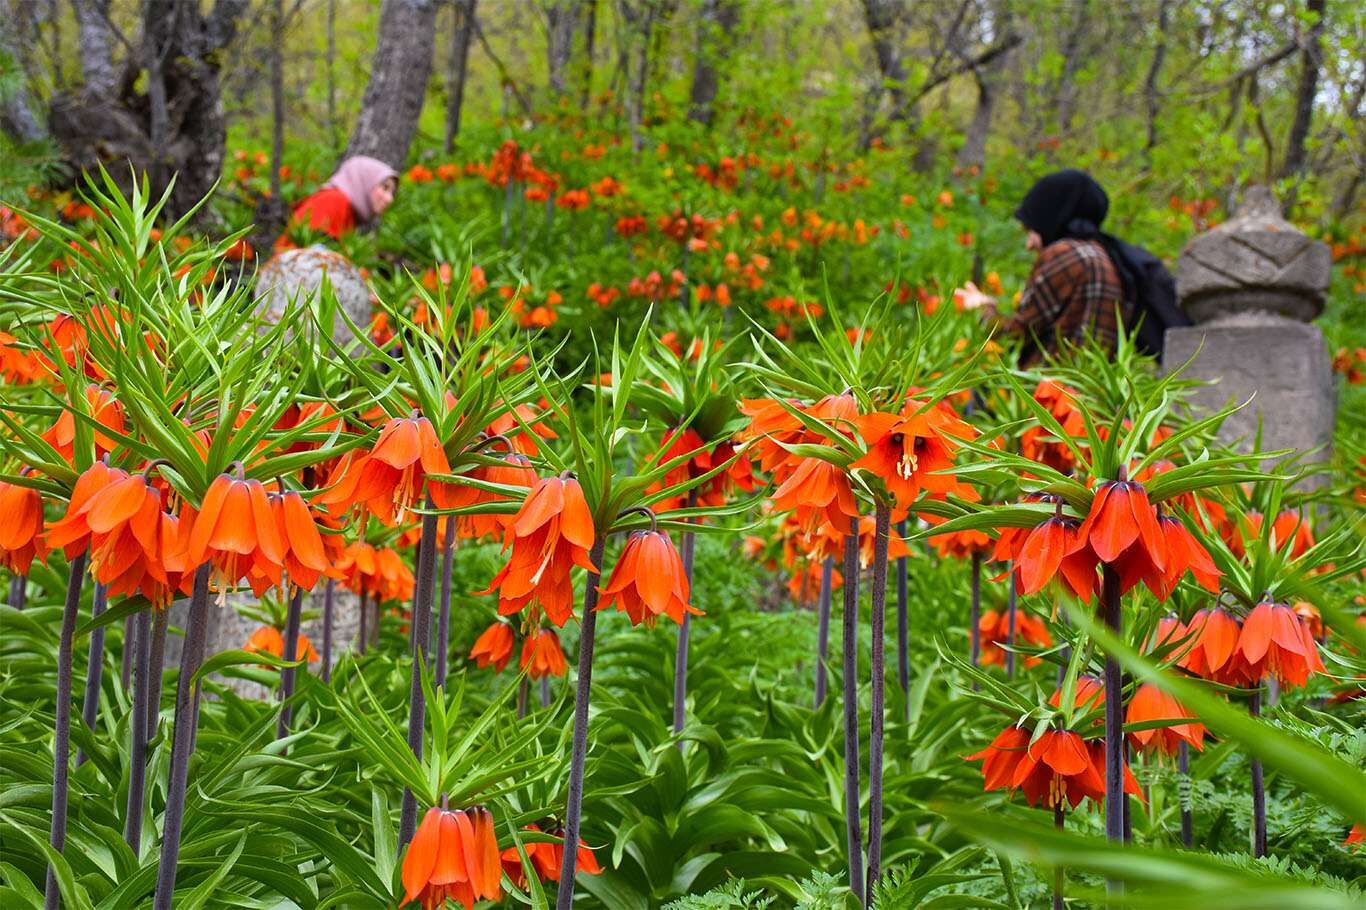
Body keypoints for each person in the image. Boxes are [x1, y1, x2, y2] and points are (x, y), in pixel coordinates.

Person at [961, 169, 1130, 366]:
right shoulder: (1107, 257)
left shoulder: (1065, 255)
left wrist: (981, 307)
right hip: (1087, 382)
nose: (1029, 244)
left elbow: (1016, 334)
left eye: (1031, 229)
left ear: (1052, 217)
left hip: (1049, 382)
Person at [285, 155, 398, 244]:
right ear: (364, 181)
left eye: (392, 193)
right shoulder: (334, 200)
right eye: (385, 187)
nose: (389, 199)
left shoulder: (349, 213)